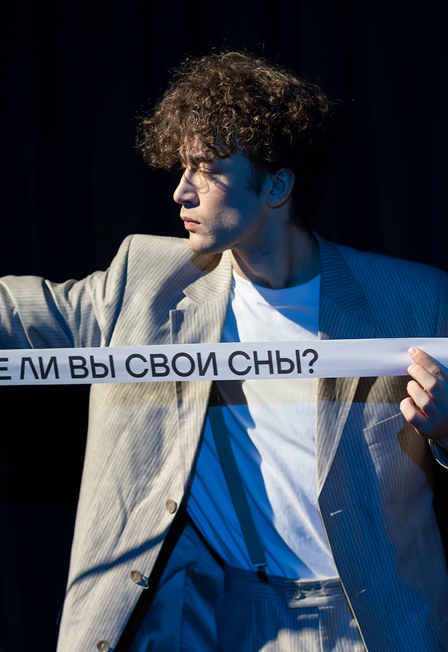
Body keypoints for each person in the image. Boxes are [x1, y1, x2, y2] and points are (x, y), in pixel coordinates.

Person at [1, 51, 448, 652]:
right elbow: (19, 312)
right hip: (232, 617)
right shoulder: (147, 283)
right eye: (182, 167)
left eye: (206, 170)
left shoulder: (415, 300)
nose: (180, 191)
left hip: (379, 621)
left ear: (277, 186)